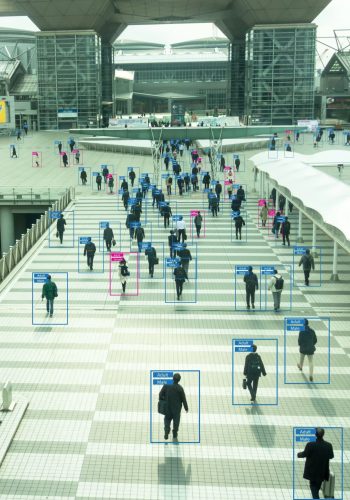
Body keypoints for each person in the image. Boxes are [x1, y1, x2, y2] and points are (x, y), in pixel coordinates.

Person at [297, 428, 334, 499]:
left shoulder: (310, 444)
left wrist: (298, 454)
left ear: (315, 435)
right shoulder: (328, 445)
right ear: (323, 434)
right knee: (317, 485)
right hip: (322, 470)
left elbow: (305, 454)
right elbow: (331, 456)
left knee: (313, 486)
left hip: (312, 471)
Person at [159, 372, 188, 442]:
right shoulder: (180, 388)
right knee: (176, 422)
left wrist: (163, 400)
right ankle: (174, 433)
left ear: (172, 378)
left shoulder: (166, 385)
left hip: (168, 408)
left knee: (167, 420)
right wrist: (186, 408)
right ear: (179, 380)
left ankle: (166, 432)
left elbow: (160, 394)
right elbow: (184, 399)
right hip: (176, 410)